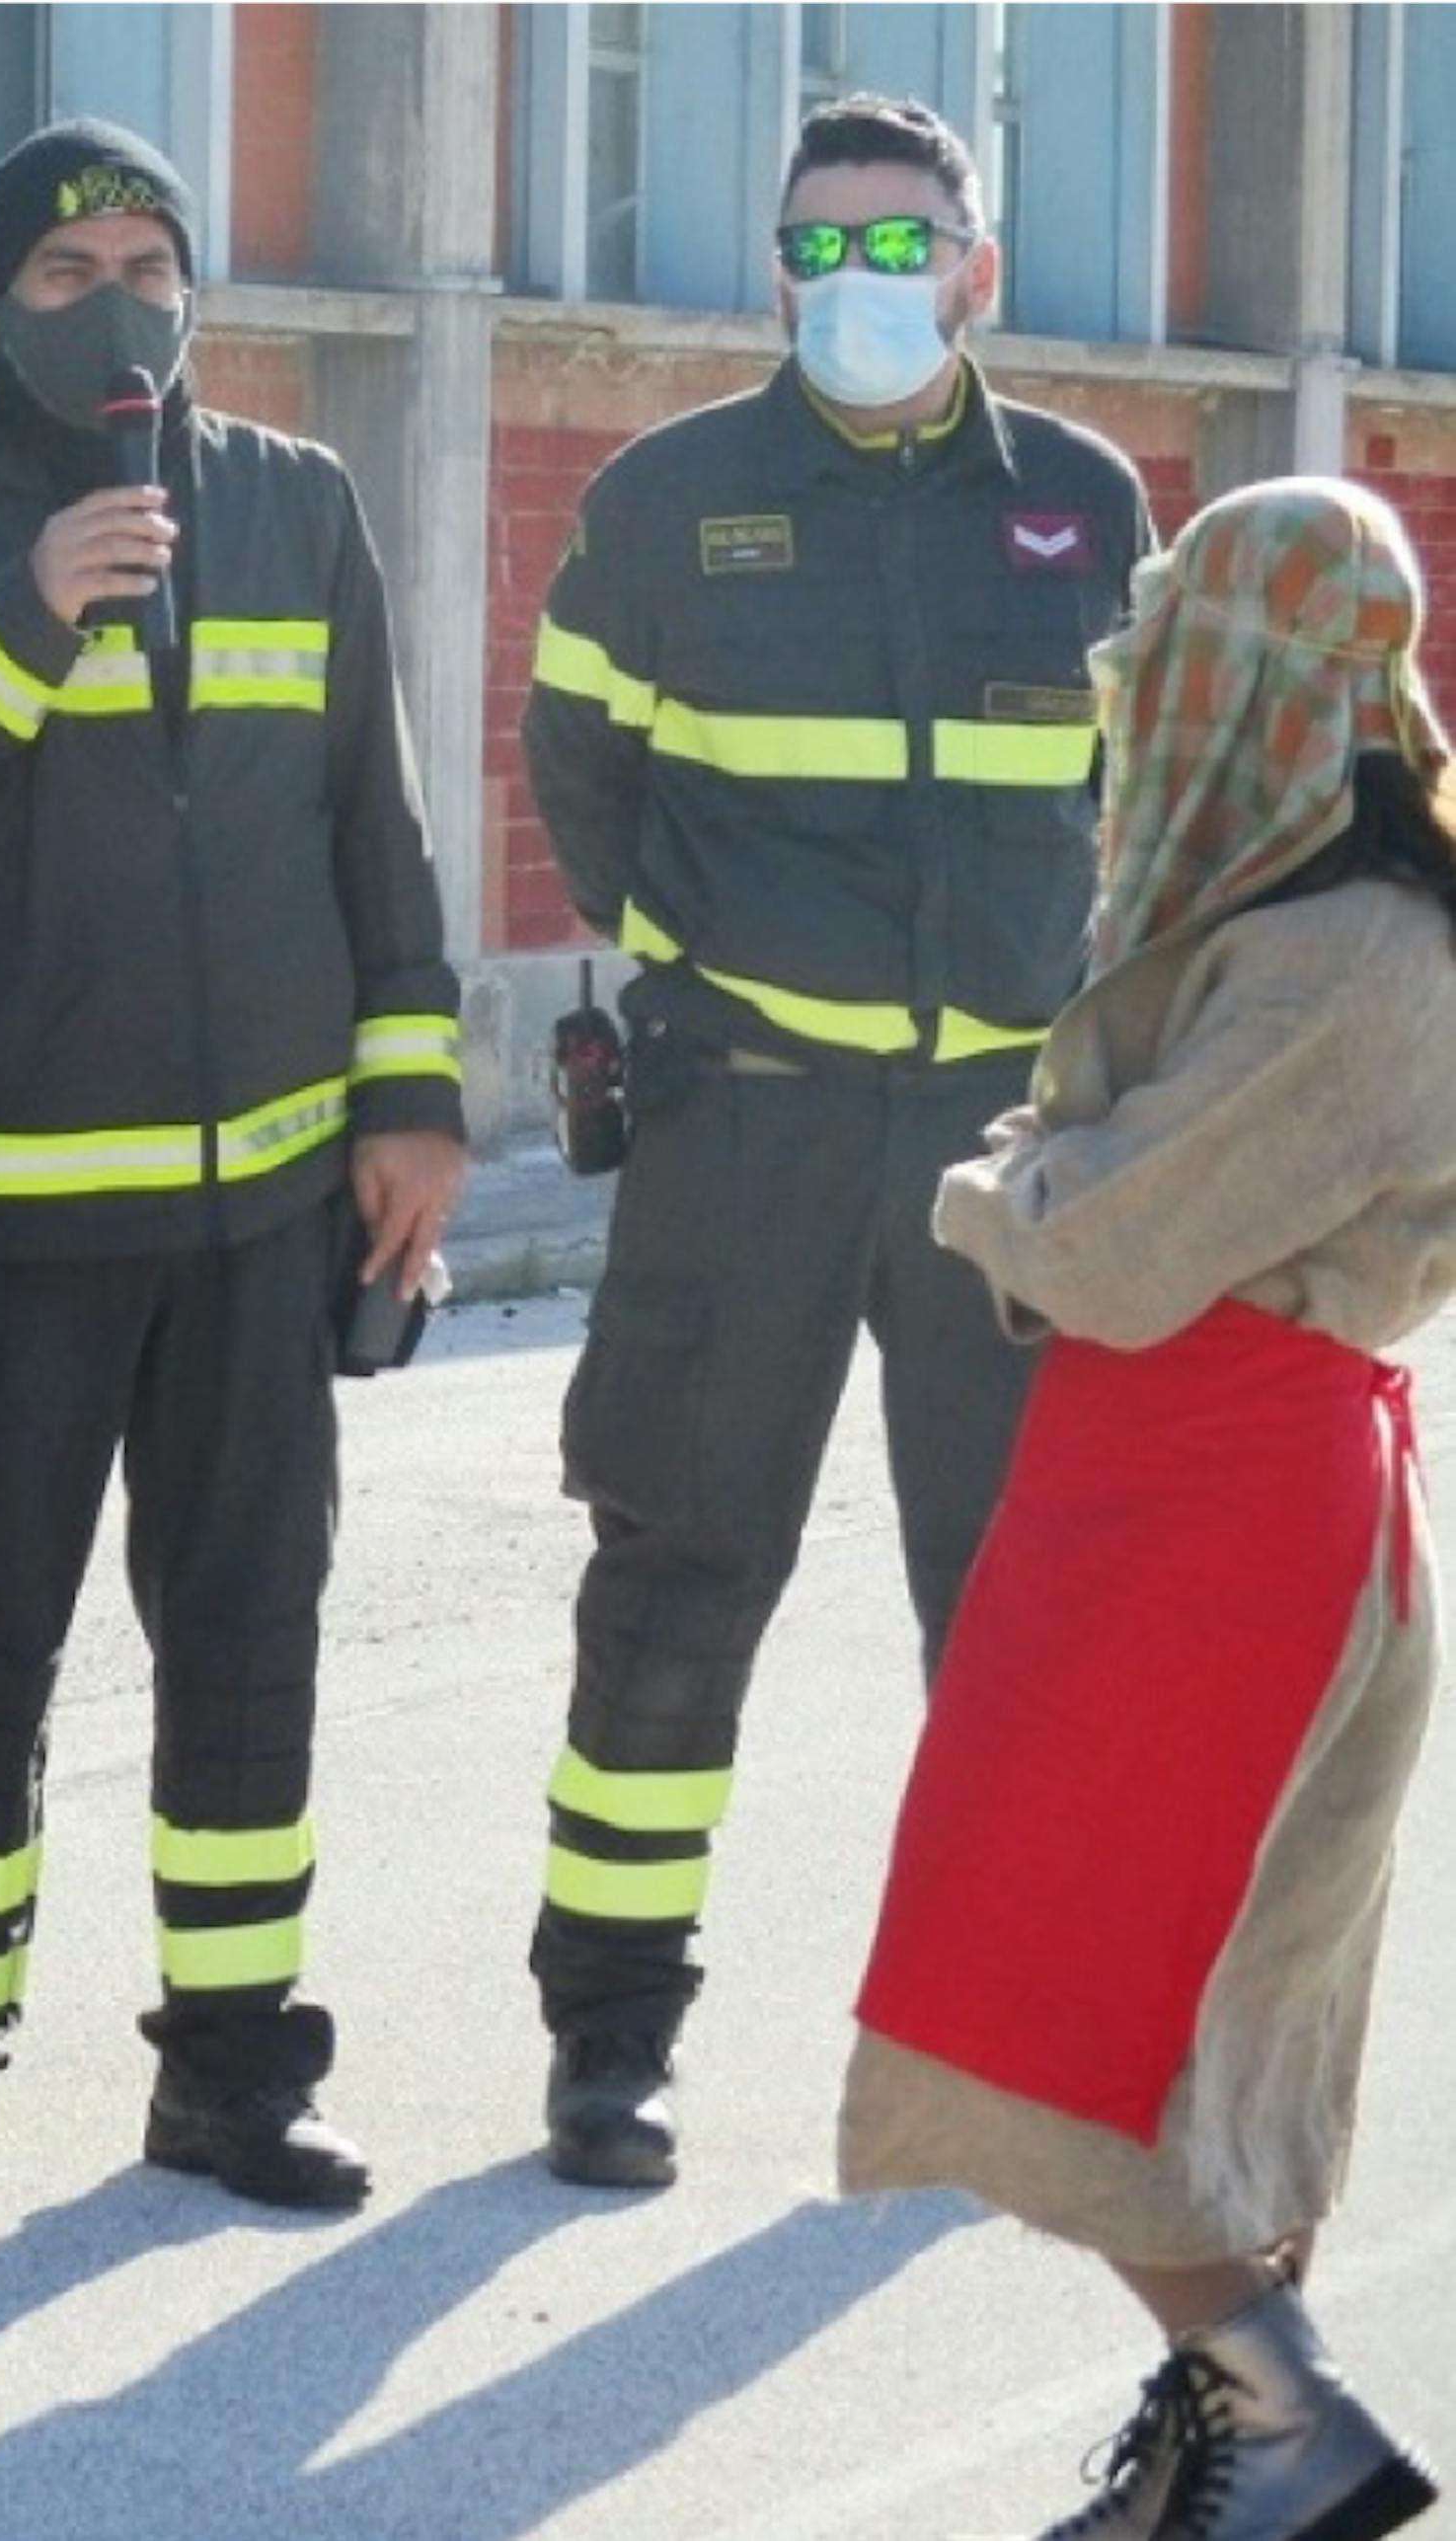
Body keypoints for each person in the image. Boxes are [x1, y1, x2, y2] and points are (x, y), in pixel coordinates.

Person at [0, 117, 468, 2233]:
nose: (120, 305)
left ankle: (235, 2075)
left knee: (250, 1640)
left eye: (151, 261)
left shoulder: (298, 501)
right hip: (3, 1218)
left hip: (263, 1214)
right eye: (67, 274)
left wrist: (411, 1104)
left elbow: (381, 829)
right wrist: (19, 618)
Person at [513, 93, 1155, 2189]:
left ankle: (1002, 2040)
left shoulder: (1080, 499)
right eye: (821, 247)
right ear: (773, 271)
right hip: (749, 1131)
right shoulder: (669, 498)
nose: (857, 282)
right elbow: (582, 769)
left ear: (981, 269)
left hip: (1001, 1150)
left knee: (1015, 1609)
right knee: (678, 1587)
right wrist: (711, 963)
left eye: (903, 246)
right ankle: (611, 2038)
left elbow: (1135, 808)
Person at [839, 476, 1451, 2541]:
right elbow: (1110, 1199)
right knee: (1205, 2006)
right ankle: (1229, 2441)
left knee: (1076, 1990)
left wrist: (992, 1189)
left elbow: (1099, 1239)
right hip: (1190, 1491)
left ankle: (1291, 2431)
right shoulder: (1296, 921)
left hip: (1227, 1523)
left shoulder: (1360, 956)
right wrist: (1056, 1187)